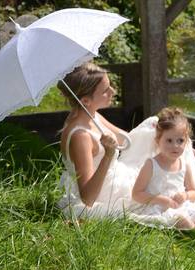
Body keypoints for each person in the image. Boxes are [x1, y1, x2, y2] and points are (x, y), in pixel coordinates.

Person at [57, 62, 136, 220]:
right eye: (106, 90)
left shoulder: (92, 115)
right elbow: (87, 197)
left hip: (115, 180)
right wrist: (108, 155)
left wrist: (155, 135)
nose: (112, 91)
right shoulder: (81, 136)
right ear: (86, 100)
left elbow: (126, 139)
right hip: (101, 196)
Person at [128, 107, 195, 230]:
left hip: (181, 206)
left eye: (180, 141)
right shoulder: (151, 165)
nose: (175, 146)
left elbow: (194, 192)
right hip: (159, 208)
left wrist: (185, 196)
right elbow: (136, 194)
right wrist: (159, 199)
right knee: (183, 222)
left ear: (186, 141)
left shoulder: (183, 164)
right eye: (169, 140)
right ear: (158, 140)